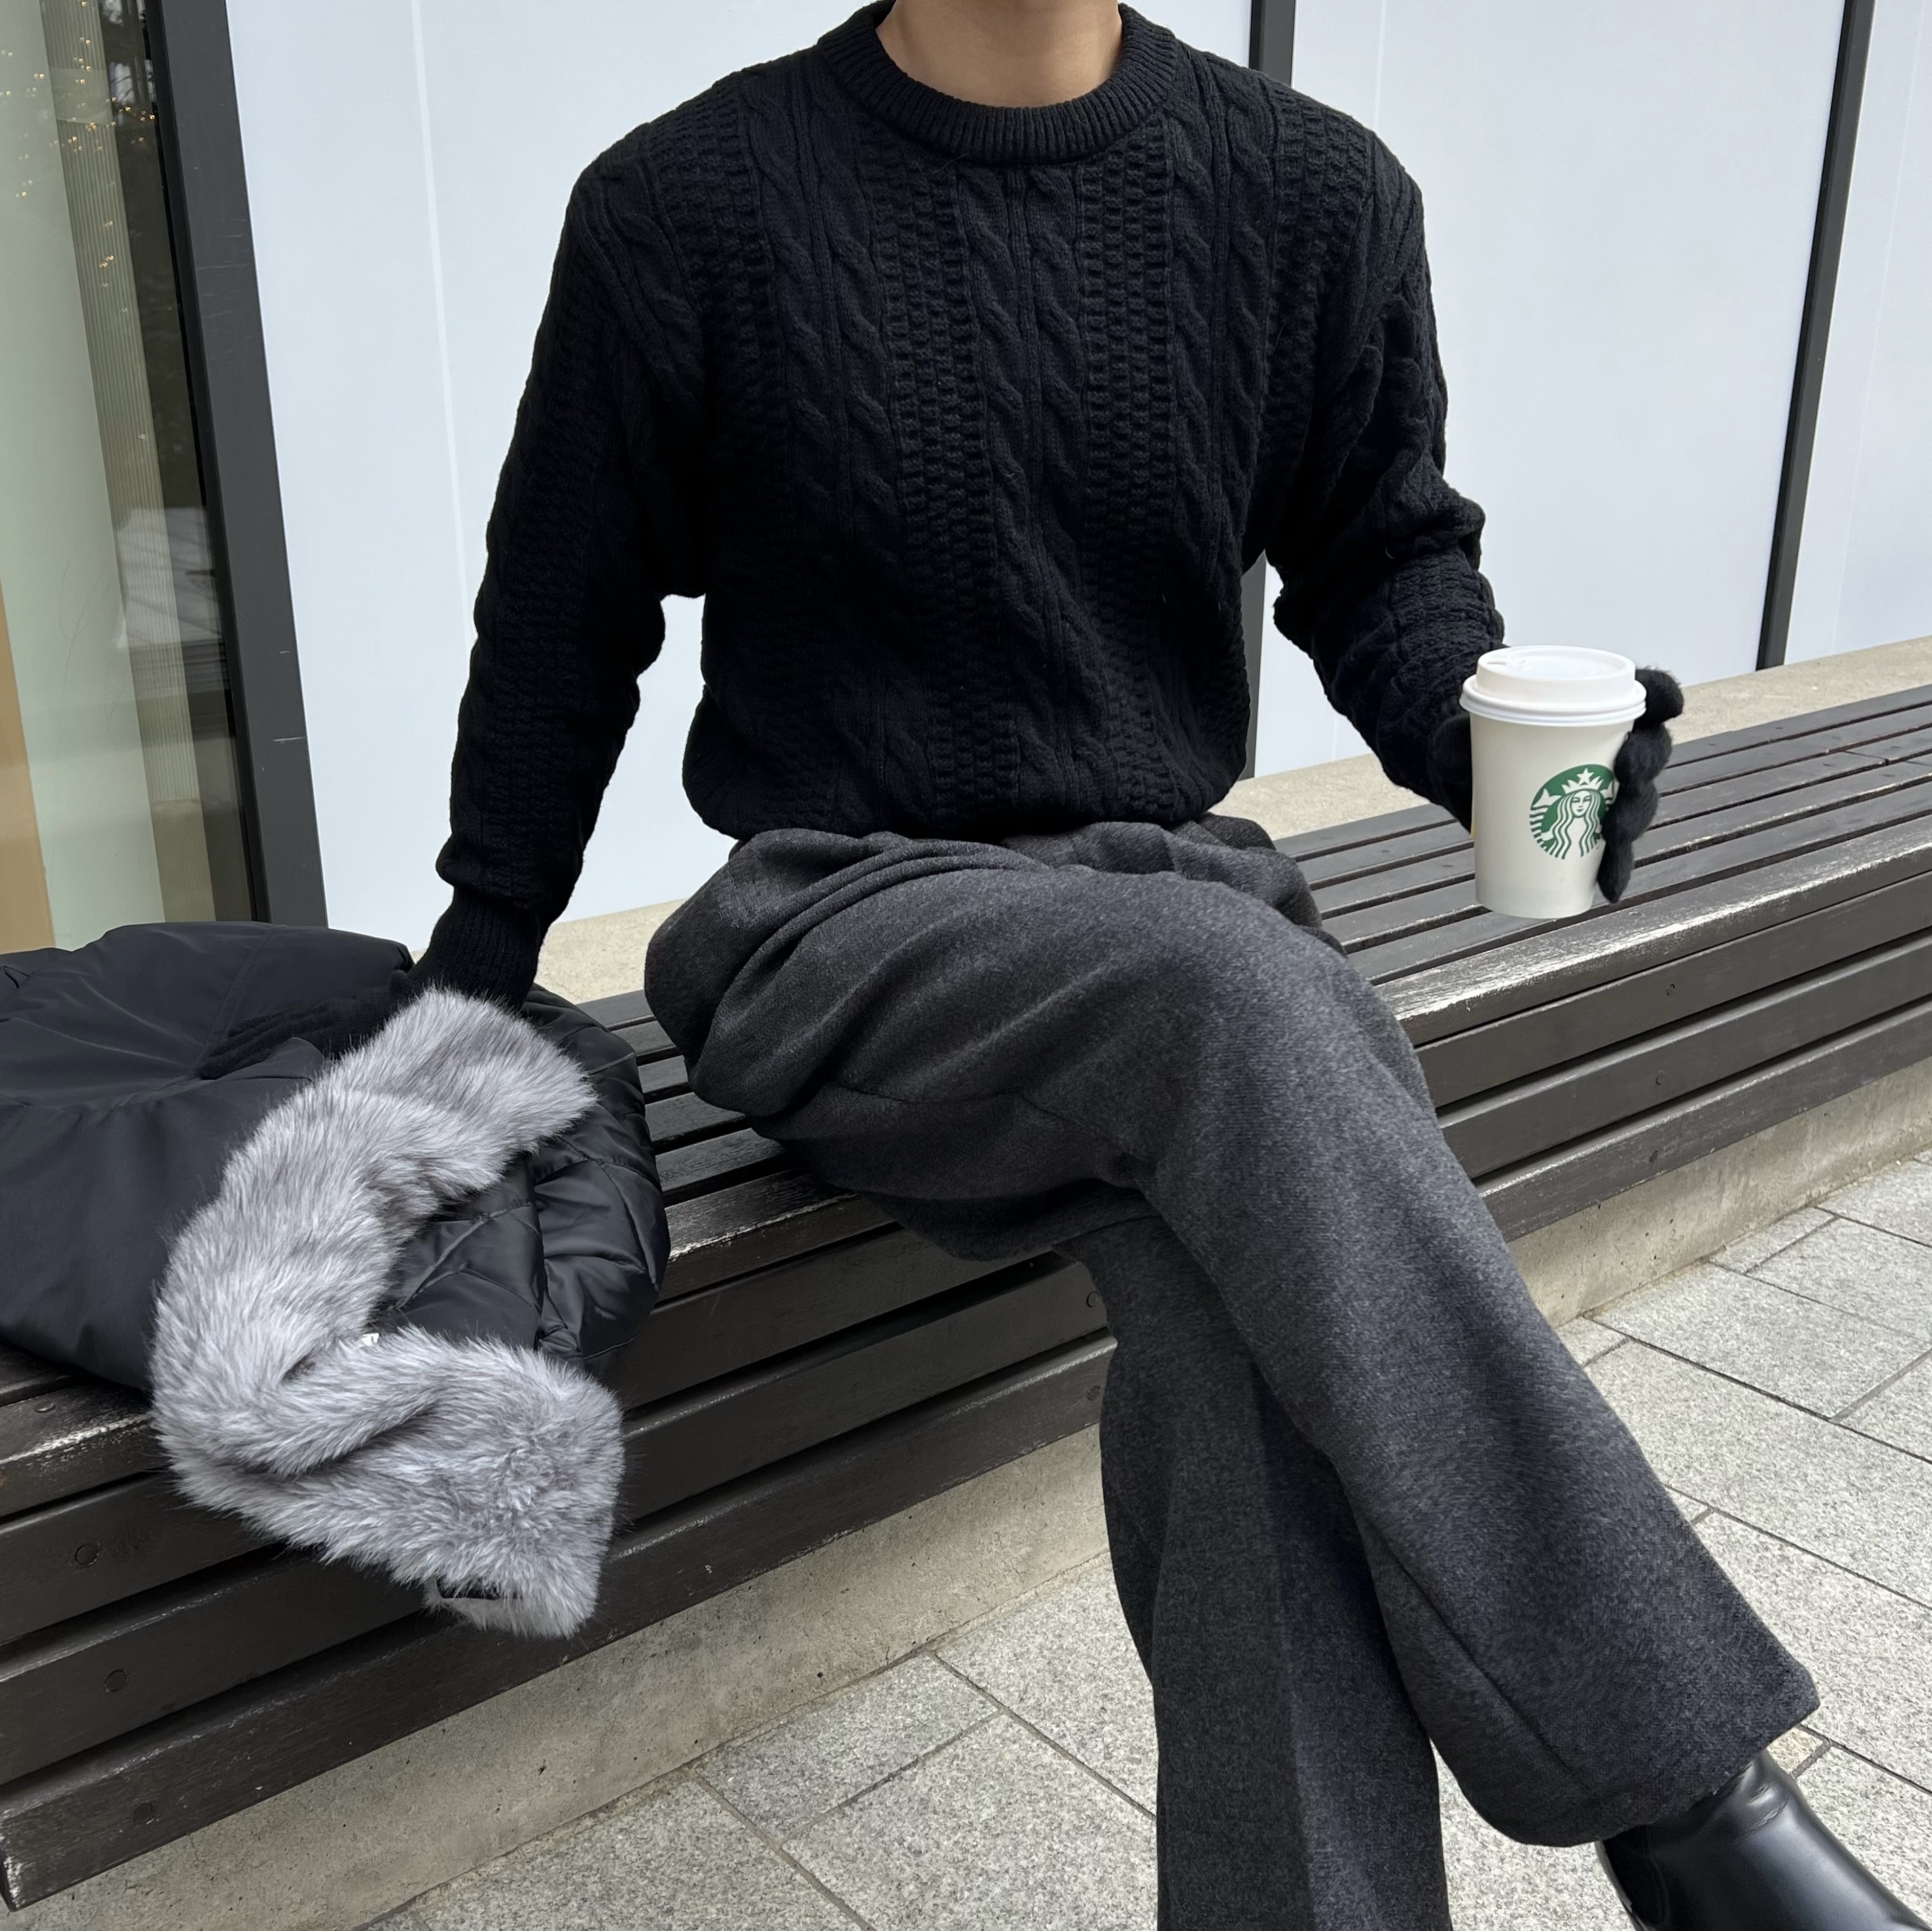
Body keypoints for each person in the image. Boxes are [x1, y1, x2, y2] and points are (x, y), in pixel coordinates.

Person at [211, 3, 1926, 1926]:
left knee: (1239, 1320)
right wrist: (475, 965)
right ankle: (1692, 1801)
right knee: (1244, 1001)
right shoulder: (688, 208)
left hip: (1163, 923)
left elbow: (1381, 557)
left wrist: (1488, 746)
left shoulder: (1311, 197)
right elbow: (560, 616)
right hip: (839, 923)